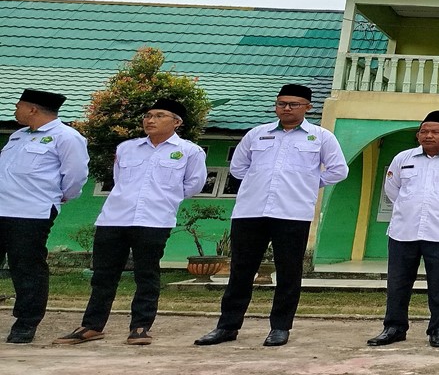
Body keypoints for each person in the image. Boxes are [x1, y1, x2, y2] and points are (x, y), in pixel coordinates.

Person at [195, 84, 349, 347]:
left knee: (289, 273)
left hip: (293, 213)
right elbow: (238, 167)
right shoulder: (257, 134)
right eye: (281, 103)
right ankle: (227, 327)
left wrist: (307, 182)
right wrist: (259, 182)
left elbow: (338, 170)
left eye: (293, 104)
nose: (286, 108)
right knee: (241, 272)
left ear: (307, 107)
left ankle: (280, 328)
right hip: (250, 212)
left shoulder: (320, 137)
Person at [53, 98, 207, 346]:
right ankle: (92, 326)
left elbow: (193, 186)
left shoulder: (190, 151)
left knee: (146, 275)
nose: (150, 120)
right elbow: (119, 179)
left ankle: (140, 327)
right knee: (103, 275)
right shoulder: (127, 147)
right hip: (114, 218)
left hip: (154, 220)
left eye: (159, 115)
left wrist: (162, 198)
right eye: (148, 115)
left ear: (177, 122)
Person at [367, 110, 439, 348]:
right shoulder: (403, 159)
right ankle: (394, 328)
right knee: (397, 284)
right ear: (418, 135)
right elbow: (393, 191)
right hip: (403, 231)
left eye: (435, 132)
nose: (428, 135)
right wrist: (411, 209)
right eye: (424, 131)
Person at [1, 89, 89, 344]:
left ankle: (26, 323)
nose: (14, 111)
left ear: (33, 109)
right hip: (1, 208)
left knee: (26, 268)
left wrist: (60, 197)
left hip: (31, 212)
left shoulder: (67, 137)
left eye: (18, 106)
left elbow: (75, 176)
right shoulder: (18, 136)